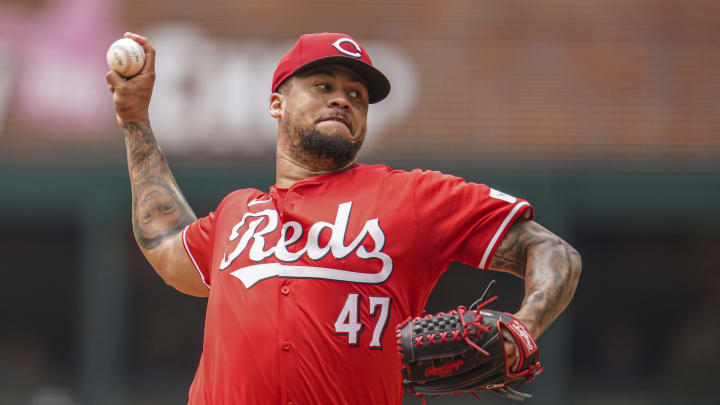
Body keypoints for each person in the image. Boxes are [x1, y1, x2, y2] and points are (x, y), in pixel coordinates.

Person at [106, 31, 582, 405]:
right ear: (277, 102)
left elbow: (552, 250)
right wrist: (135, 122)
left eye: (356, 94)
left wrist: (526, 324)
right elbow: (167, 240)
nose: (343, 99)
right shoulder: (238, 212)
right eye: (323, 86)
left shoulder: (413, 196)